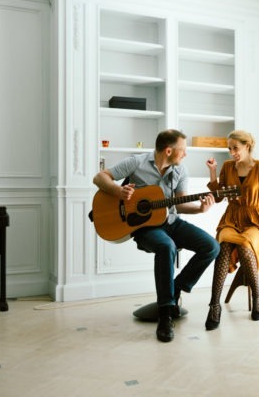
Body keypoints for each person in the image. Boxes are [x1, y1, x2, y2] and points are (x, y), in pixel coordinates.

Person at [93, 129, 220, 342]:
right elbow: (100, 177)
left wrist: (200, 209)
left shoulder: (180, 171)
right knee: (166, 246)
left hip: (171, 222)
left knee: (212, 247)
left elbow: (180, 204)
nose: (185, 155)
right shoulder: (137, 162)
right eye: (183, 151)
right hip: (145, 228)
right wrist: (118, 191)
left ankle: (176, 289)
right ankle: (165, 314)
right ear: (169, 150)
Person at [204, 130, 259, 330]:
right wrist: (213, 172)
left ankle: (257, 298)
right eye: (229, 148)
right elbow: (217, 198)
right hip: (231, 219)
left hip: (254, 222)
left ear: (247, 146)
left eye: (236, 148)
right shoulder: (227, 167)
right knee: (224, 245)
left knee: (244, 244)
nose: (232, 152)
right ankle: (214, 305)